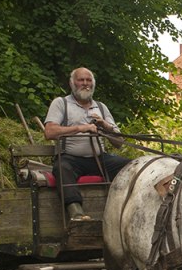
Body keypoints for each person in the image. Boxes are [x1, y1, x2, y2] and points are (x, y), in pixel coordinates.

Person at [43, 67, 130, 220]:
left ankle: (126, 210)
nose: (85, 83)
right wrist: (79, 128)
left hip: (98, 158)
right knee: (61, 168)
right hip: (70, 158)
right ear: (72, 83)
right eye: (81, 80)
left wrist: (105, 125)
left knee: (131, 166)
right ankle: (76, 213)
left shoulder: (101, 107)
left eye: (88, 80)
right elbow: (49, 132)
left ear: (93, 84)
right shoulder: (61, 103)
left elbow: (119, 142)